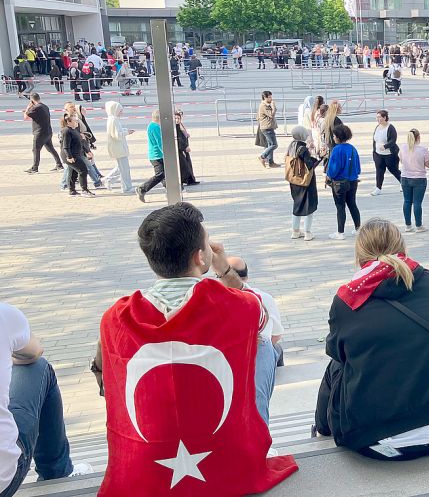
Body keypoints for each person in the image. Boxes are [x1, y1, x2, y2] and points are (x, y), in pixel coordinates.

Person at [93, 203, 298, 494]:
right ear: (200, 256)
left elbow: (105, 375)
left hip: (144, 472)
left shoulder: (116, 317)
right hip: (228, 463)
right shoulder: (237, 306)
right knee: (264, 346)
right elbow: (264, 320)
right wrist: (224, 269)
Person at [317, 219, 429, 460]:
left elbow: (338, 354)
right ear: (402, 247)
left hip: (381, 440)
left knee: (336, 364)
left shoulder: (347, 300)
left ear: (359, 255)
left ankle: (322, 429)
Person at [1, 303, 92, 497]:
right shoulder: (4, 315)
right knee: (39, 368)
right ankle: (57, 473)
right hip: (4, 480)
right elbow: (34, 352)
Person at [228, 257, 286, 409]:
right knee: (273, 348)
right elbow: (276, 335)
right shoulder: (264, 298)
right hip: (259, 353)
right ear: (246, 276)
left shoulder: (214, 301)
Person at [326, 123, 362, 240]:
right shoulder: (352, 148)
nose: (333, 137)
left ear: (338, 137)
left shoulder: (337, 150)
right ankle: (358, 228)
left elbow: (333, 168)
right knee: (352, 204)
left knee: (340, 206)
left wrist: (328, 176)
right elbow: (358, 167)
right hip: (353, 181)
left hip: (339, 183)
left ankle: (340, 232)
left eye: (334, 136)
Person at [286, 125, 320, 241]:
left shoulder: (291, 146)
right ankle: (307, 232)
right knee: (309, 206)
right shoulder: (302, 149)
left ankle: (295, 231)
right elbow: (309, 165)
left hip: (294, 180)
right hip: (305, 182)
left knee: (297, 204)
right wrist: (318, 158)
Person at [399, 129, 429, 233]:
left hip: (405, 177)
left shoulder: (403, 148)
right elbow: (428, 165)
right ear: (418, 137)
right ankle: (419, 225)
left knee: (407, 201)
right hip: (419, 178)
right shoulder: (423, 149)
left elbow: (401, 161)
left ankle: (408, 225)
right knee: (417, 202)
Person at [24, 93, 63, 174]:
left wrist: (28, 107)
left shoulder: (35, 108)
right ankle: (59, 165)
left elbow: (26, 117)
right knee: (51, 149)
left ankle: (35, 168)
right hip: (48, 131)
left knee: (36, 150)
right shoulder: (45, 106)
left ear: (32, 100)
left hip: (39, 132)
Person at [60, 113, 95, 197]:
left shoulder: (75, 130)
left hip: (76, 154)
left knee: (74, 172)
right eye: (75, 121)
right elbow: (65, 146)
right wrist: (69, 157)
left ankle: (72, 191)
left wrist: (87, 151)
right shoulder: (66, 131)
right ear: (69, 122)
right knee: (83, 170)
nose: (77, 122)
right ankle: (84, 190)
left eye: (77, 120)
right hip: (71, 155)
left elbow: (80, 142)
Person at [103, 101, 134, 194]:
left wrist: (125, 130)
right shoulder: (113, 120)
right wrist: (127, 132)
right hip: (119, 147)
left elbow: (116, 131)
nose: (121, 113)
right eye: (120, 111)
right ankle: (126, 187)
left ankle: (108, 180)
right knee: (124, 169)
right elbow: (116, 135)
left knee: (121, 167)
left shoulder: (112, 119)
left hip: (118, 147)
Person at [135, 109, 164, 203]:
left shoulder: (151, 125)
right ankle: (142, 188)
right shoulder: (156, 127)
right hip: (157, 155)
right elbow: (160, 143)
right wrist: (165, 153)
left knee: (164, 174)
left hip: (154, 155)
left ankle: (171, 190)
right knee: (160, 175)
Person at [370, 110, 401, 196]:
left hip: (389, 154)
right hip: (378, 154)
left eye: (379, 117)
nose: (378, 119)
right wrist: (374, 151)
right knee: (379, 171)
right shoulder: (377, 127)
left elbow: (393, 141)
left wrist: (385, 146)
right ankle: (378, 188)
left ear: (384, 117)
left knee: (393, 170)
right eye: (377, 117)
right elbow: (375, 139)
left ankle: (402, 182)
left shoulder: (390, 128)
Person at [174, 110, 198, 186]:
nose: (177, 120)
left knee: (187, 164)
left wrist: (187, 135)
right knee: (185, 166)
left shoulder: (180, 125)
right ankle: (188, 180)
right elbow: (179, 139)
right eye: (175, 118)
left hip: (184, 148)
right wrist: (185, 146)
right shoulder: (175, 127)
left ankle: (190, 180)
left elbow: (183, 135)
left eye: (178, 118)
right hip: (181, 149)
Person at [257, 90, 279, 168]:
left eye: (271, 97)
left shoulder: (266, 105)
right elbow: (271, 115)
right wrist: (273, 106)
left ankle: (271, 162)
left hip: (269, 127)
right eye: (269, 97)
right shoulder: (263, 105)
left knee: (270, 145)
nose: (271, 99)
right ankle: (262, 157)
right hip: (267, 128)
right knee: (274, 145)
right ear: (265, 98)